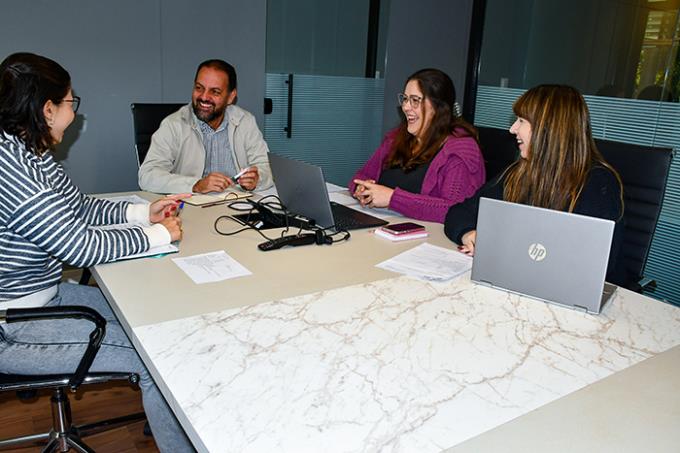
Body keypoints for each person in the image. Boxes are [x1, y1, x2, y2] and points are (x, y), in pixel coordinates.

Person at [0, 52, 194, 452]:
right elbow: (80, 245)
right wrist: (157, 235)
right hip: (13, 326)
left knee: (149, 314)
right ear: (46, 109)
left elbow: (80, 207)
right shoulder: (15, 171)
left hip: (42, 296)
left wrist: (142, 212)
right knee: (159, 361)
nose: (75, 113)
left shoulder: (29, 151)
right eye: (71, 102)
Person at [444, 84, 625, 285]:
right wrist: (468, 233)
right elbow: (459, 212)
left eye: (521, 121)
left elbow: (595, 268)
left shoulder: (597, 185)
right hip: (519, 283)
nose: (512, 129)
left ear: (548, 128)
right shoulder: (519, 172)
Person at [349, 68, 485, 223]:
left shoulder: (461, 150)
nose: (406, 107)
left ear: (438, 107)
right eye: (405, 99)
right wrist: (361, 189)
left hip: (427, 240)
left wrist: (393, 198)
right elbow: (361, 176)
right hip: (382, 229)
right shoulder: (395, 138)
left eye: (415, 100)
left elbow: (455, 210)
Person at [138, 59, 272, 194]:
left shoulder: (245, 121)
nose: (204, 97)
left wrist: (257, 179)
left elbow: (267, 167)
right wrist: (196, 185)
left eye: (215, 92)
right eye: (199, 88)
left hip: (237, 204)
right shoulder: (173, 125)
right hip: (192, 206)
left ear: (231, 97)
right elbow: (147, 176)